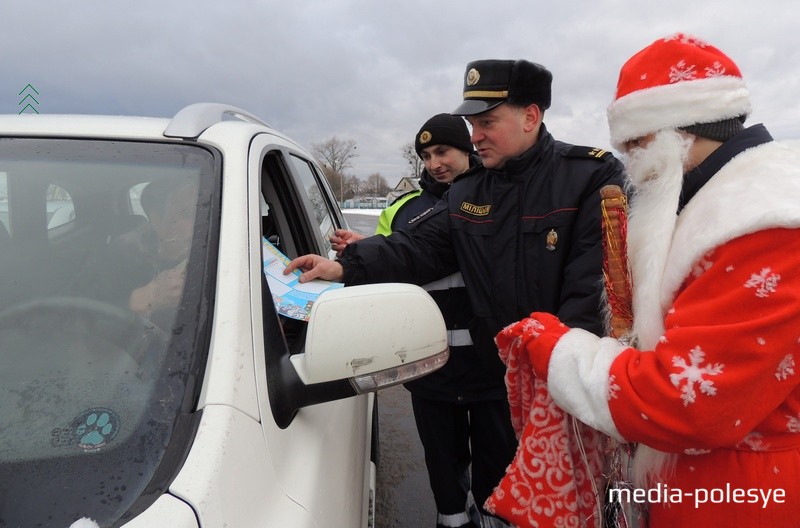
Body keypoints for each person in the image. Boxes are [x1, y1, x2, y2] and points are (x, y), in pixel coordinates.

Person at [287, 59, 626, 526]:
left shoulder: (588, 177)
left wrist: (561, 383)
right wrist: (345, 266)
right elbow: (420, 247)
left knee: (562, 505)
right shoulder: (470, 190)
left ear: (531, 117)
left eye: (487, 122)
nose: (476, 135)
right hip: (501, 379)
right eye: (472, 124)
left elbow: (592, 293)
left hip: (561, 386)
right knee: (502, 497)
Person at [495, 33, 800, 527]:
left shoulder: (764, 223)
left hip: (742, 498)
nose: (631, 166)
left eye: (634, 146)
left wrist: (558, 350)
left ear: (669, 133)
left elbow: (691, 403)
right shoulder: (714, 201)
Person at [336, 113, 492, 528]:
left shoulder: (497, 196)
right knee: (443, 463)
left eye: (443, 151)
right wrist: (367, 248)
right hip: (430, 365)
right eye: (426, 155)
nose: (434, 162)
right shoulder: (403, 209)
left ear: (467, 149)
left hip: (492, 368)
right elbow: (397, 257)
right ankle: (452, 520)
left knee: (499, 465)